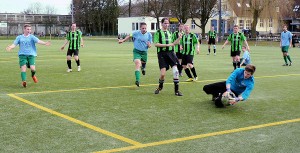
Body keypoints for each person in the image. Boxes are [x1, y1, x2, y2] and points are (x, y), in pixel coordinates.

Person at [153, 18, 183, 96]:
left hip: (171, 53)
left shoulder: (170, 32)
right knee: (163, 74)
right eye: (165, 23)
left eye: (168, 23)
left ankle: (176, 91)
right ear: (161, 24)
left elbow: (174, 43)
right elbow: (156, 44)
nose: (166, 25)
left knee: (175, 71)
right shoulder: (158, 33)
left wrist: (179, 38)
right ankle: (160, 87)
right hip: (162, 54)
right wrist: (166, 45)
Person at [118, 22, 152, 87]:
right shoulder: (136, 33)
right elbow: (129, 36)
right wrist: (123, 40)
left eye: (145, 28)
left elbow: (150, 45)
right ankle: (137, 80)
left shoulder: (149, 35)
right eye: (143, 28)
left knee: (143, 65)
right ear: (140, 28)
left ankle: (143, 68)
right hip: (137, 51)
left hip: (144, 52)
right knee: (138, 63)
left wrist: (149, 45)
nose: (144, 29)